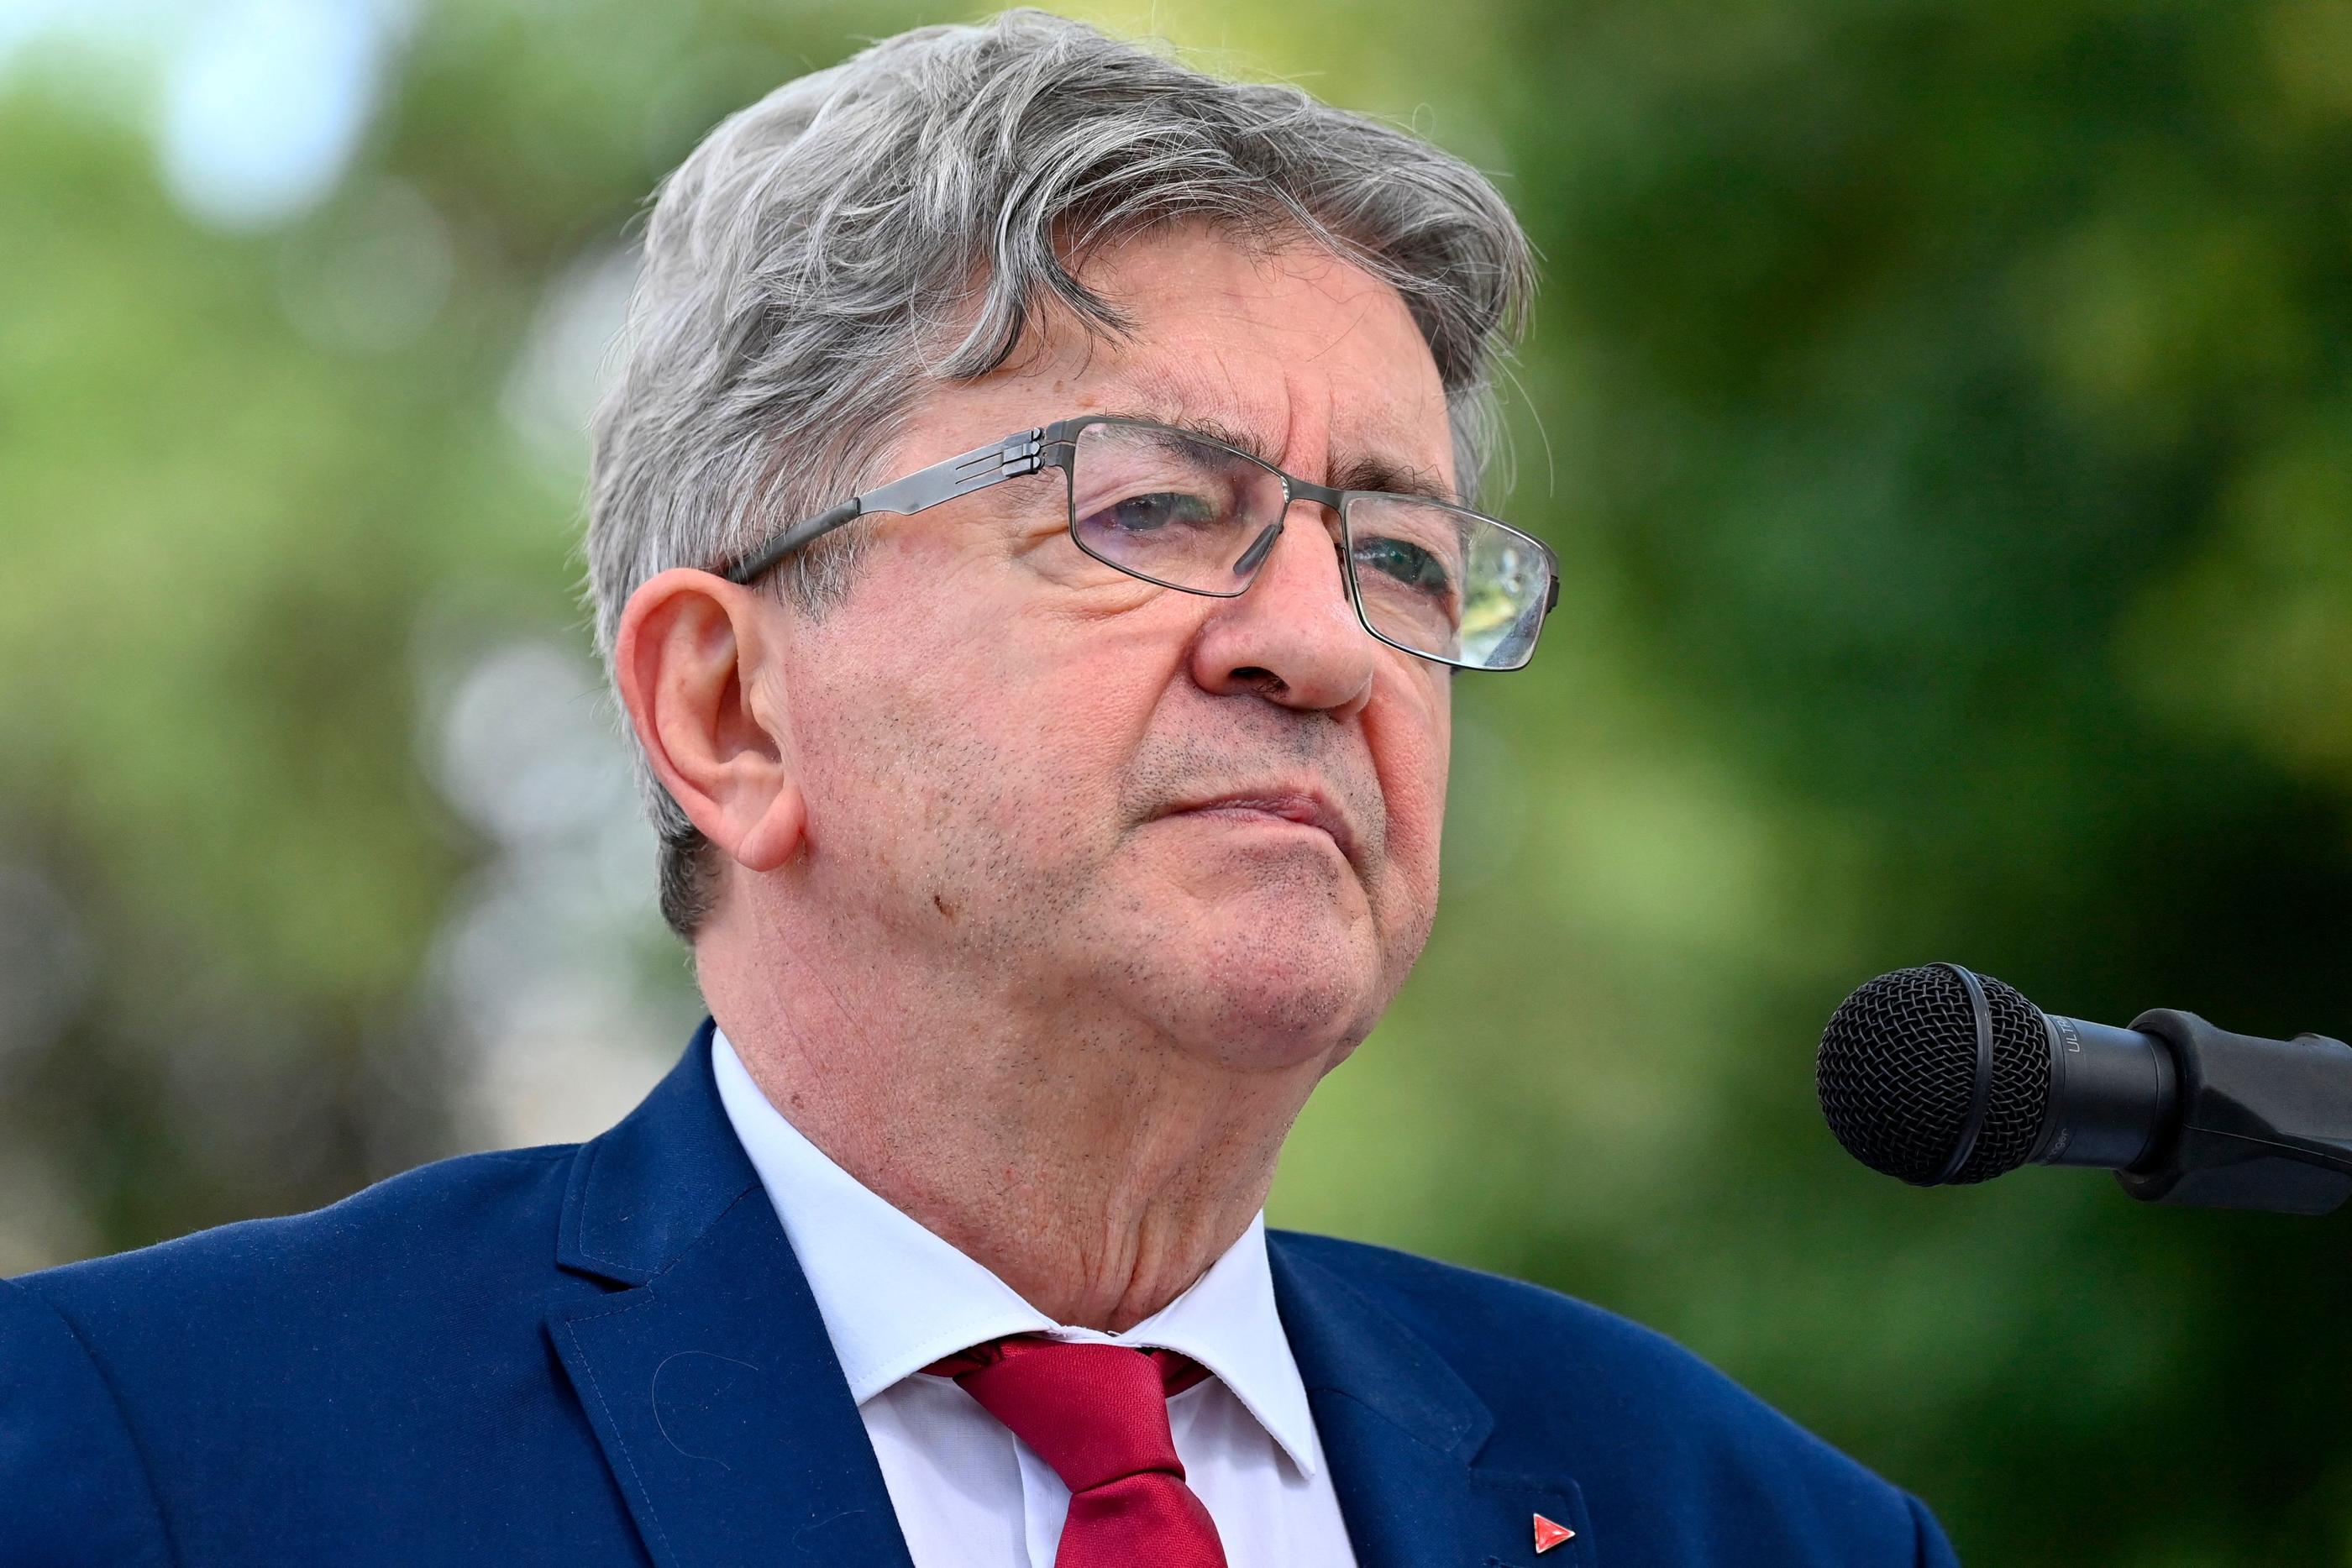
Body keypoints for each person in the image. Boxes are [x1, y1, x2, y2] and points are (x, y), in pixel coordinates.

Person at [0, 13, 1957, 1565]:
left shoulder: (1748, 1523)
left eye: (1402, 555)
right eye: (1152, 509)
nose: (1329, 647)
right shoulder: (161, 1456)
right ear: (728, 709)